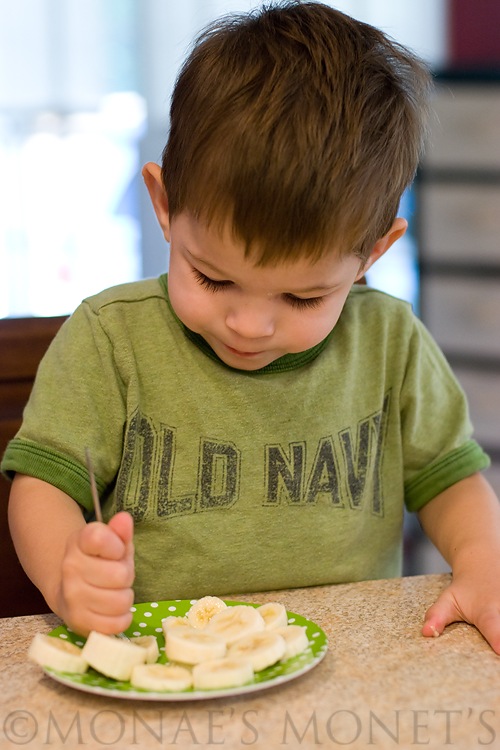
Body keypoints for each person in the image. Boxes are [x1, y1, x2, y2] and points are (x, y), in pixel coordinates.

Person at [2, 1, 500, 652]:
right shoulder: (110, 339)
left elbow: (451, 481)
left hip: (347, 664)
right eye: (212, 278)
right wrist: (69, 572)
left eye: (301, 297)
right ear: (164, 205)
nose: (249, 323)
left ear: (370, 256)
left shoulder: (390, 343)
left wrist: (485, 562)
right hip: (166, 664)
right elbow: (42, 485)